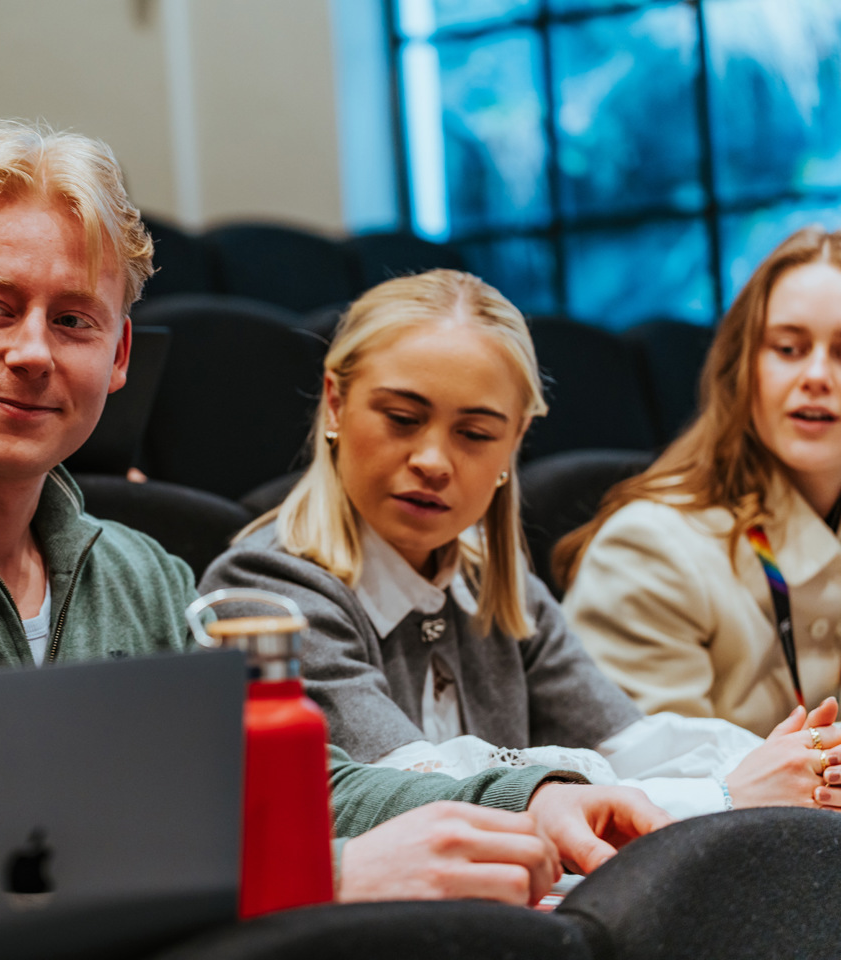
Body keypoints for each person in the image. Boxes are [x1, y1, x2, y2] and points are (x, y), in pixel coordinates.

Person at [0, 118, 669, 905]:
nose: (34, 352)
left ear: (117, 356)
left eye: (74, 320)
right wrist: (320, 877)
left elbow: (290, 787)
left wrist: (535, 795)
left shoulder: (139, 574)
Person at [201, 269, 841, 820]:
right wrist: (724, 796)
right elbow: (412, 793)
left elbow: (632, 741)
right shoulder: (265, 590)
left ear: (514, 445)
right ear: (336, 404)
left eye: (475, 433)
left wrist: (796, 759)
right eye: (402, 419)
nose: (433, 460)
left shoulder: (496, 588)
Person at [560, 228, 841, 753]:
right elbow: (658, 806)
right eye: (788, 348)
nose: (818, 376)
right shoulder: (648, 550)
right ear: (742, 370)